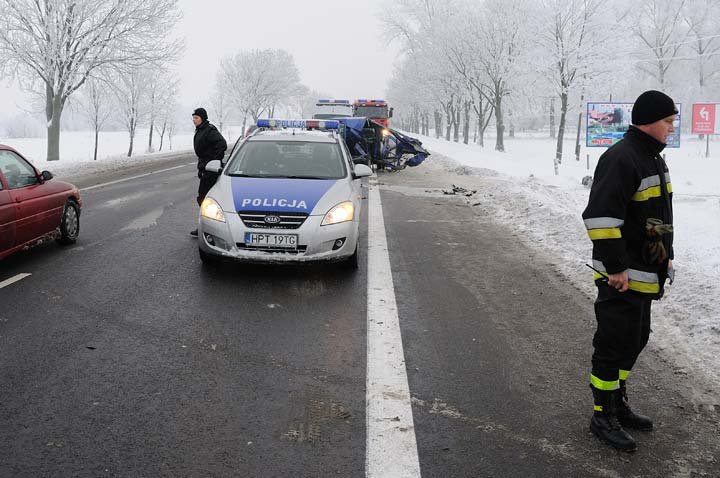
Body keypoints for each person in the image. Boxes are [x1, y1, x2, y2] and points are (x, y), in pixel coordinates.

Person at [582, 90, 676, 452]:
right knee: (613, 344)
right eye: (668, 121)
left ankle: (617, 403)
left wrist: (664, 256)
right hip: (621, 277)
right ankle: (601, 414)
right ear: (650, 120)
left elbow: (654, 219)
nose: (671, 128)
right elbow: (600, 219)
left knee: (635, 339)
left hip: (644, 273)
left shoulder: (651, 158)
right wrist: (616, 268)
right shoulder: (621, 158)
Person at [190, 107, 227, 236]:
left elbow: (222, 144)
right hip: (204, 168)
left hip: (211, 170)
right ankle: (207, 226)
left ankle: (209, 227)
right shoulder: (201, 129)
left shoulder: (209, 130)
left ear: (203, 118)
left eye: (196, 118)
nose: (194, 120)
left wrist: (212, 161)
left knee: (205, 198)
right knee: (203, 197)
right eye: (193, 118)